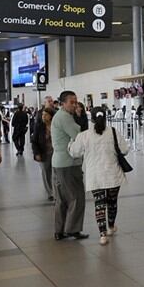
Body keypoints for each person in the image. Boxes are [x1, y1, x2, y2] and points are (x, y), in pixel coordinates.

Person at [69, 108, 128, 246]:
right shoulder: (113, 132)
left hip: (95, 175)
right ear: (106, 118)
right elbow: (124, 150)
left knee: (99, 204)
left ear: (92, 119)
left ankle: (102, 235)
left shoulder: (84, 135)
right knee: (112, 202)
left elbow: (75, 153)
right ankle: (111, 227)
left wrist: (70, 144)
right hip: (113, 174)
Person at [52, 91, 88, 240]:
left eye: (76, 102)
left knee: (62, 199)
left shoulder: (61, 116)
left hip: (59, 163)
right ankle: (72, 229)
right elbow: (79, 136)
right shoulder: (65, 118)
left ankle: (59, 230)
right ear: (63, 103)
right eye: (72, 102)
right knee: (77, 196)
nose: (75, 105)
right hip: (68, 163)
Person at [32, 106, 56, 201]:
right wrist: (36, 153)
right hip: (44, 152)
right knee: (46, 173)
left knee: (55, 173)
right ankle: (50, 192)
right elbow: (34, 141)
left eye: (46, 115)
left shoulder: (55, 125)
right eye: (42, 115)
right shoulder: (39, 126)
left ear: (51, 116)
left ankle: (56, 192)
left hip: (55, 152)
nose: (43, 116)